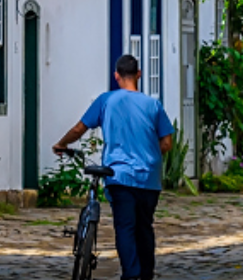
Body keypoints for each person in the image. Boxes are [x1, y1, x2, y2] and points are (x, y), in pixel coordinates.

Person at [54, 54, 174, 280]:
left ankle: (131, 274)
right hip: (149, 178)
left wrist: (62, 144)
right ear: (139, 75)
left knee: (125, 227)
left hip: (119, 176)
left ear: (116, 76)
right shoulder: (153, 105)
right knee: (144, 227)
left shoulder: (106, 100)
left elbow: (80, 129)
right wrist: (147, 154)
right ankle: (146, 274)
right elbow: (167, 142)